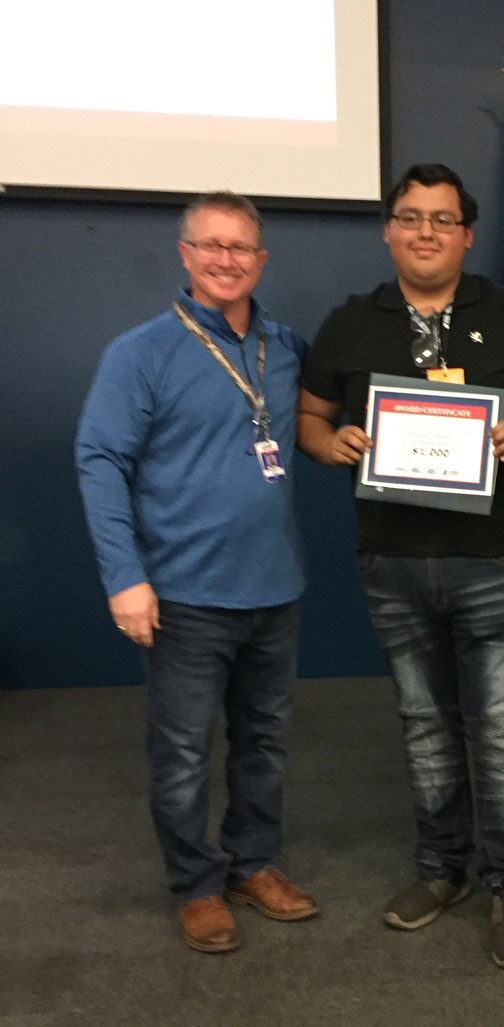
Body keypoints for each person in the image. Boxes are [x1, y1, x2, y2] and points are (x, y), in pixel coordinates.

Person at [297, 163, 504, 969]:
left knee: (502, 733)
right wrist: (335, 445)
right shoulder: (351, 323)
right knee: (425, 726)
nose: (425, 232)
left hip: (495, 559)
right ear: (388, 229)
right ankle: (441, 869)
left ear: (466, 233)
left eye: (442, 220)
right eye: (410, 217)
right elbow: (311, 421)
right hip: (391, 561)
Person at [76, 191, 317, 954]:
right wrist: (125, 575)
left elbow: (329, 423)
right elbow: (100, 459)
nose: (225, 259)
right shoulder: (141, 351)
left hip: (275, 587)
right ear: (184, 255)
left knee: (263, 740)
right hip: (181, 593)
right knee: (180, 751)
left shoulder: (287, 347)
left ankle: (252, 861)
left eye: (240, 247)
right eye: (210, 245)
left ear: (261, 259)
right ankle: (196, 883)